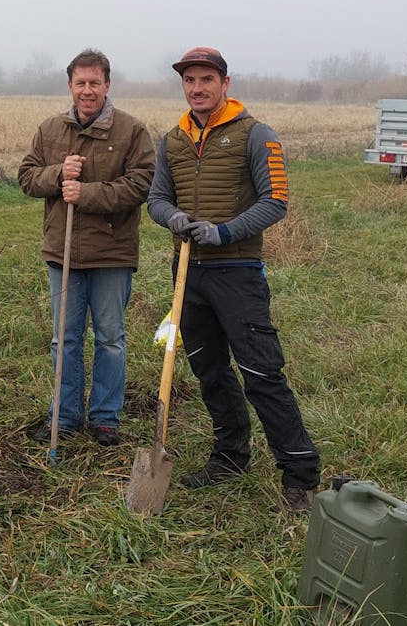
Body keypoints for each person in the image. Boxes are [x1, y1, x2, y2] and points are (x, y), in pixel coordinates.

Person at [146, 46, 321, 511]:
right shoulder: (172, 141)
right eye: (189, 81)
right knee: (209, 370)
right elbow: (156, 199)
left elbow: (276, 201)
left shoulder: (256, 135)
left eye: (206, 80)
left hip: (238, 273)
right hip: (189, 274)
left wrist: (224, 232)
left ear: (225, 84)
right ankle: (230, 455)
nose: (197, 88)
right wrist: (174, 217)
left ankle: (300, 475)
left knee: (262, 372)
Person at [17, 48, 154, 447]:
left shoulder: (132, 131)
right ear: (70, 85)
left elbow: (142, 184)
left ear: (107, 85)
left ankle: (106, 419)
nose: (88, 90)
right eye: (81, 83)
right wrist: (58, 173)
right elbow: (26, 177)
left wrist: (87, 193)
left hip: (112, 254)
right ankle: (64, 416)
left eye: (95, 83)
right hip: (62, 254)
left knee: (110, 338)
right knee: (65, 339)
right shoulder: (50, 130)